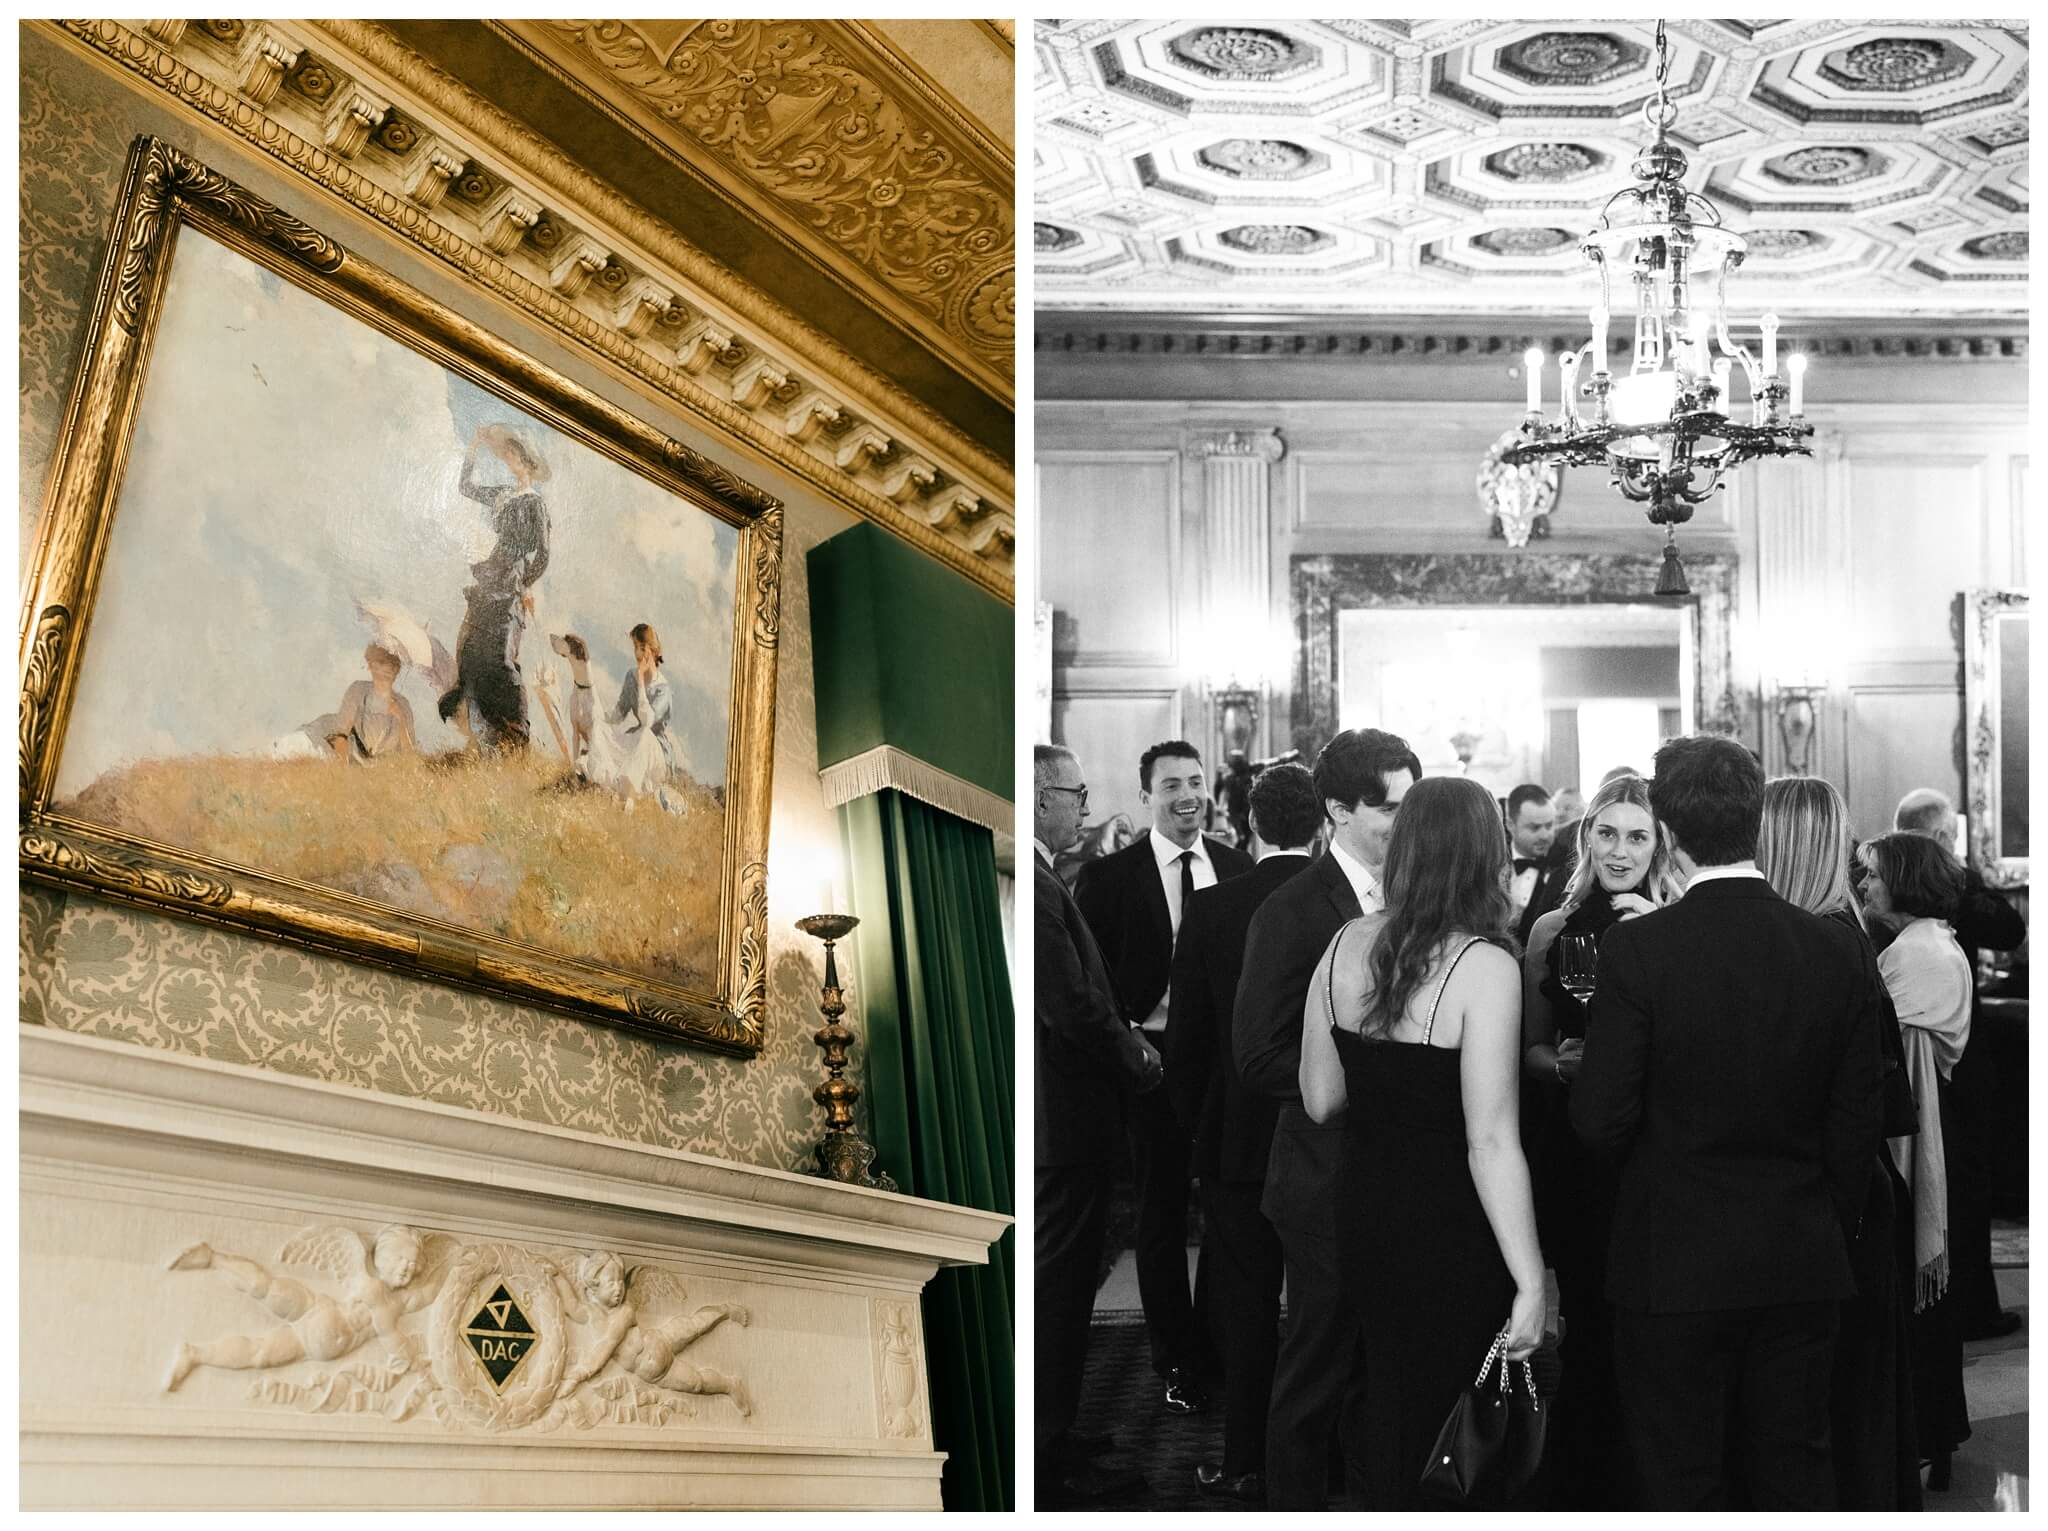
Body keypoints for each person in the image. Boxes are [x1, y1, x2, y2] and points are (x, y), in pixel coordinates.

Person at [1570, 735, 1881, 1509]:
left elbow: (1599, 1122)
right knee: (1793, 1471)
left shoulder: (1638, 947)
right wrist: (1820, 1222)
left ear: (1666, 833)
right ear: (1756, 819)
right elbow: (1857, 1124)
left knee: (1679, 1477)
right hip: (1799, 1256)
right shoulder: (1836, 948)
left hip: (1669, 1261)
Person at [1298, 774, 1544, 1509]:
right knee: (1459, 1409)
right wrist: (1532, 1280)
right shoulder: (1485, 965)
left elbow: (1320, 1099)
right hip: (1451, 1221)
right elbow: (1491, 1140)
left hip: (1366, 1205)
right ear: (1482, 856)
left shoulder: (1343, 942)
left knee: (1387, 1395)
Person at [1234, 727, 1418, 1509]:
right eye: (1390, 808)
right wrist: (1366, 1084)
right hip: (1322, 1180)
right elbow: (1256, 1054)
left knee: (1384, 1377)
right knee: (1315, 1374)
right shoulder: (1294, 909)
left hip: (1402, 1178)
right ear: (1338, 810)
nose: (1406, 824)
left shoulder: (1415, 895)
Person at [1519, 772, 1683, 1507]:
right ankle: (1584, 1487)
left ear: (1660, 845)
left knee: (1651, 1327)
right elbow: (1528, 1049)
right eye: (1607, 832)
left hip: (1657, 1153)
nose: (1620, 849)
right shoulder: (1553, 928)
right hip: (1578, 1152)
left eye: (1637, 834)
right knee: (1586, 1318)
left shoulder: (1676, 921)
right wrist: (1561, 1062)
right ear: (1586, 836)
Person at [1073, 740, 1251, 1412]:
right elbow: (1092, 978)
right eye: (1172, 783)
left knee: (1230, 1208)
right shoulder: (1111, 876)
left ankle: (1219, 1343)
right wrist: (1126, 1044)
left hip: (1222, 1063)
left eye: (1196, 782)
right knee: (1161, 1211)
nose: (1187, 795)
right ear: (1147, 792)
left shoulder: (1235, 867)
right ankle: (1175, 1356)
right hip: (1147, 1060)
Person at [1760, 779, 1922, 1510]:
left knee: (1844, 1402)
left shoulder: (1827, 942)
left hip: (1841, 1198)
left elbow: (1870, 1103)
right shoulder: (1835, 936)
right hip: (1842, 1194)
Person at [1165, 762, 1323, 1504]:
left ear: (1250, 823)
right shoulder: (1343, 906)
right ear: (1323, 820)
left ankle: (1244, 1460)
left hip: (1234, 1137)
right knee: (1327, 1300)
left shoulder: (1214, 908)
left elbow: (1189, 1044)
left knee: (1249, 1306)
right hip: (1324, 1127)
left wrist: (1200, 1124)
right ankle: (1328, 1454)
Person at [1033, 744, 1161, 1504]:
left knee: (1075, 1284)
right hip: (1065, 1123)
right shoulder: (1043, 885)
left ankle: (1062, 1427)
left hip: (1073, 1118)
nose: (1084, 805)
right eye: (1076, 793)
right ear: (1042, 796)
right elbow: (1074, 1005)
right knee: (1060, 1288)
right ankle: (1048, 1452)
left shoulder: (1051, 877)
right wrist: (1139, 1057)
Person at [1859, 830, 1974, 1493]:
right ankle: (1932, 1431)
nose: (1865, 882)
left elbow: (1879, 1045)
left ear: (1902, 877)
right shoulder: (1918, 942)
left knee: (1918, 1299)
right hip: (1928, 1132)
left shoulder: (1920, 952)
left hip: (1918, 1141)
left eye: (1872, 873)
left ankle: (1929, 1432)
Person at [1893, 788, 2026, 1343]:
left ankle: (1954, 1301)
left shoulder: (1900, 895)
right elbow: (2009, 930)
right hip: (1954, 1060)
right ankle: (1966, 1307)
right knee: (1964, 1180)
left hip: (1939, 1048)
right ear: (1945, 838)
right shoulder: (1942, 891)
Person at [439, 423, 551, 752]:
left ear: (528, 462)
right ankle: (484, 737)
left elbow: (542, 556)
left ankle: (518, 736)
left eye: (515, 454)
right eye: (507, 454)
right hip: (490, 577)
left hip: (512, 581)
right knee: (473, 654)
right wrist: (473, 446)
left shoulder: (536, 504)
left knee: (502, 660)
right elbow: (465, 487)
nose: (509, 458)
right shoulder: (502, 494)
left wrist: (522, 585)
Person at [286, 642, 418, 762]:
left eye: (391, 665)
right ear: (371, 666)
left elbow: (410, 754)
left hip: (378, 768)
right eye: (379, 663)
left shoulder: (402, 704)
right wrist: (344, 770)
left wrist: (401, 719)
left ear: (396, 669)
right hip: (329, 743)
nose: (386, 670)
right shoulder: (358, 690)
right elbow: (341, 735)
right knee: (294, 749)